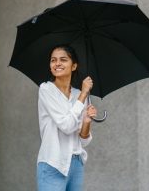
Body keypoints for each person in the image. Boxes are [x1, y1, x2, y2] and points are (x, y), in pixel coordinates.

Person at [37, 45, 97, 191]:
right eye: (53, 60)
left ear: (74, 66)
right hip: (53, 163)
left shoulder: (78, 94)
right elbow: (66, 126)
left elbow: (84, 140)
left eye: (63, 60)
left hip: (76, 163)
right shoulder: (46, 89)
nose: (57, 63)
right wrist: (83, 95)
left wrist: (87, 123)